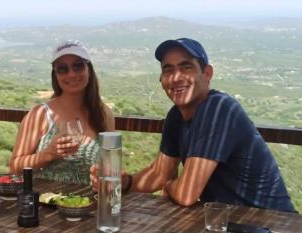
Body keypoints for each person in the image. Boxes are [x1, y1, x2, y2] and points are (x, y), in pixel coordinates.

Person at [90, 38, 296, 212]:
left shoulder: (219, 108)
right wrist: (122, 183)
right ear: (161, 79)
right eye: (168, 70)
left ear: (207, 74)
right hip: (225, 222)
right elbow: (159, 173)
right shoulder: (176, 117)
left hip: (272, 222)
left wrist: (169, 187)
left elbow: (186, 195)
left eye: (186, 67)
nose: (176, 77)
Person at [10, 40, 115, 185]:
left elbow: (109, 166)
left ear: (89, 69)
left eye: (78, 66)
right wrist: (49, 154)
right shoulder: (40, 114)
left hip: (88, 204)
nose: (71, 74)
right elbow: (15, 167)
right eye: (62, 69)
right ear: (55, 75)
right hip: (45, 204)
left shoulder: (104, 114)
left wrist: (103, 179)